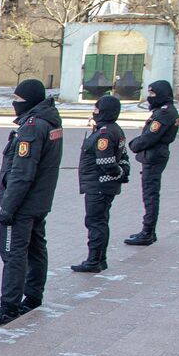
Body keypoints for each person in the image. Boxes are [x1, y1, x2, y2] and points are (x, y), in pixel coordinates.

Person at [0, 78, 63, 325]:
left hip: (23, 205)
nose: (14, 103)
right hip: (39, 201)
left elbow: (22, 173)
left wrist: (8, 208)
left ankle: (9, 305)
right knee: (37, 248)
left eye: (17, 99)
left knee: (12, 253)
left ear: (28, 101)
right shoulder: (50, 121)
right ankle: (33, 295)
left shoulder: (32, 127)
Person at [73, 94, 129, 272]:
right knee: (101, 221)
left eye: (96, 109)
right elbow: (124, 157)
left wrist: (118, 173)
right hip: (104, 185)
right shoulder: (114, 129)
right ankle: (100, 259)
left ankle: (93, 261)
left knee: (95, 222)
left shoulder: (104, 133)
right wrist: (122, 173)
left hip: (98, 185)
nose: (94, 112)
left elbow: (106, 162)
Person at [125, 79, 179, 246]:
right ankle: (148, 231)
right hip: (155, 155)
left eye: (153, 93)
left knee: (150, 195)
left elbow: (150, 136)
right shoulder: (165, 111)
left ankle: (147, 232)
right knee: (150, 193)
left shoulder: (164, 114)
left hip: (154, 156)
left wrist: (134, 145)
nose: (150, 97)